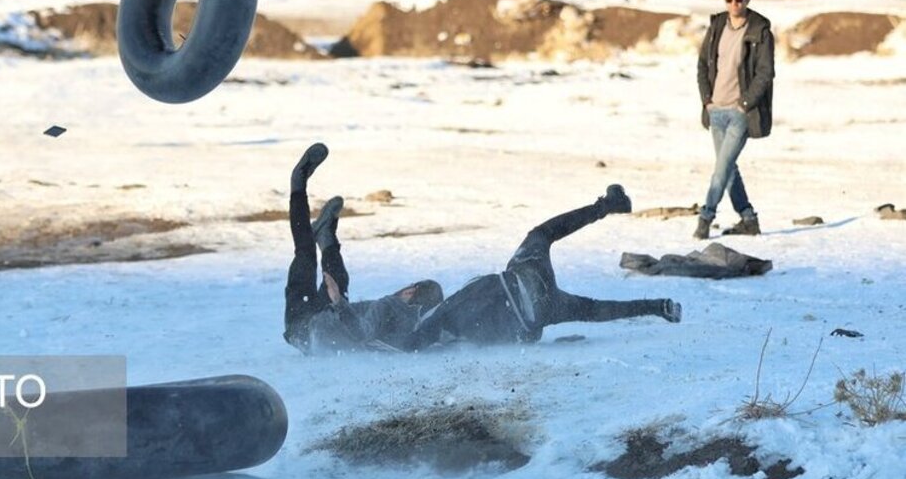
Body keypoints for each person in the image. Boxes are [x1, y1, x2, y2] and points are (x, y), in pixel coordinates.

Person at [282, 144, 681, 355]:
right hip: (311, 326)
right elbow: (371, 335)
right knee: (312, 261)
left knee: (332, 274)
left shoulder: (412, 315)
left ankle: (326, 234)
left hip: (521, 299)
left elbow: (373, 335)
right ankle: (301, 185)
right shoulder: (408, 314)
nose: (408, 291)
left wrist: (339, 304)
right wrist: (337, 304)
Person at [694, 0, 775, 240]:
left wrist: (744, 104)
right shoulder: (717, 26)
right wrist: (707, 100)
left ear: (748, 0)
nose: (734, 5)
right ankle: (748, 219)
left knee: (722, 169)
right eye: (729, 0)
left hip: (740, 113)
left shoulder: (760, 31)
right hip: (716, 110)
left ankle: (706, 217)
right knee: (727, 167)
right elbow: (703, 65)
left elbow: (765, 72)